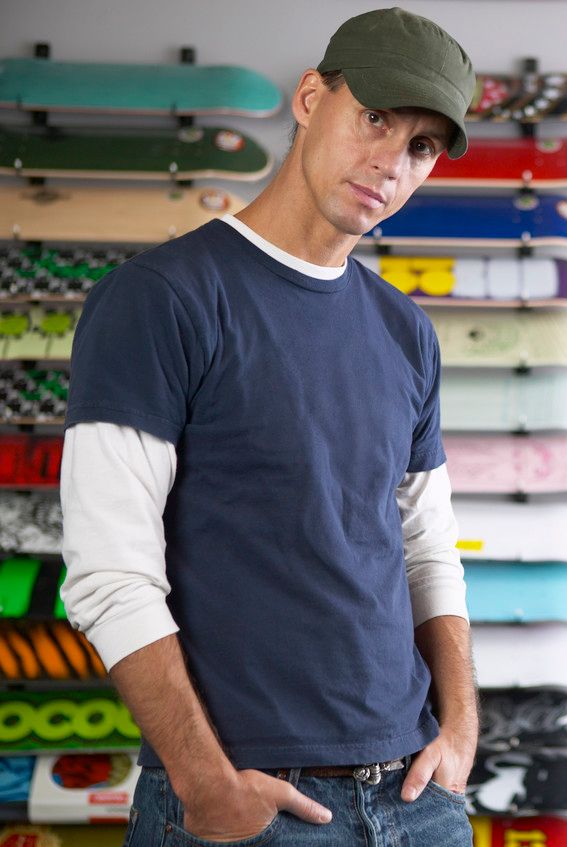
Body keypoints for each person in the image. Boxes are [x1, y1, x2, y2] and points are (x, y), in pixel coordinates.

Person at [61, 7, 478, 845]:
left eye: (422, 145)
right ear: (310, 97)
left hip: (416, 796)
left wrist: (461, 726)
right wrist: (206, 785)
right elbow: (108, 572)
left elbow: (425, 547)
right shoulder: (161, 299)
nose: (390, 161)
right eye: (374, 117)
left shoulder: (405, 331)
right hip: (249, 802)